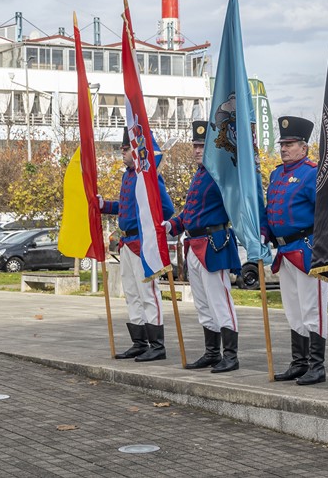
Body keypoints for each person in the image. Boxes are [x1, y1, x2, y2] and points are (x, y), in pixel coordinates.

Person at [164, 120, 241, 373]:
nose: (197, 150)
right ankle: (211, 352)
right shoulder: (198, 176)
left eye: (202, 145)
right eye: (195, 146)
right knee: (203, 305)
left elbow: (238, 202)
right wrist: (172, 225)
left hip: (213, 244)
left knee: (220, 302)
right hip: (193, 244)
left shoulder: (221, 174)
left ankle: (230, 355)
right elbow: (190, 213)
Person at [99, 127, 175, 362]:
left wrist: (150, 227)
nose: (121, 153)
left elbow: (167, 209)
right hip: (127, 240)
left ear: (136, 151)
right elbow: (125, 208)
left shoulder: (149, 177)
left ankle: (157, 345)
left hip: (143, 242)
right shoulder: (127, 176)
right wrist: (103, 205)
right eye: (121, 149)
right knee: (131, 292)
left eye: (125, 149)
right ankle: (139, 342)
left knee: (147, 293)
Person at [263, 116, 328, 386]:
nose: (284, 148)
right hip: (283, 250)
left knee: (313, 309)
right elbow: (271, 211)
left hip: (306, 248)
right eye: (282, 144)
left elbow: (324, 213)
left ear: (304, 147)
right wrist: (265, 233)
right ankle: (299, 362)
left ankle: (317, 365)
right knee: (293, 309)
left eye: (290, 144)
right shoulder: (277, 174)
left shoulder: (312, 173)